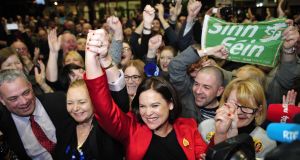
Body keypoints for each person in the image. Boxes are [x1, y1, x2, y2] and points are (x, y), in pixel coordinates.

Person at [84, 29, 207, 160]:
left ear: (170, 104)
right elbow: (105, 110)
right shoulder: (132, 129)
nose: (148, 113)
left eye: (154, 105)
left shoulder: (189, 127)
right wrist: (91, 56)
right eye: (143, 106)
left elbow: (204, 154)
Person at [0, 69, 74, 159]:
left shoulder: (59, 101)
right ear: (2, 100)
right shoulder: (3, 124)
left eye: (26, 93)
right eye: (13, 99)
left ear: (31, 86)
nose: (24, 102)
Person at [199, 78, 276, 158]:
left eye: (246, 107)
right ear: (225, 103)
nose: (238, 112)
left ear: (257, 111)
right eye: (233, 104)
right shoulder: (205, 127)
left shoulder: (266, 141)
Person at [62, 79, 123, 159]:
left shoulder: (107, 129)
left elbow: (120, 100)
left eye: (82, 102)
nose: (75, 108)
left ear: (94, 101)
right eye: (70, 103)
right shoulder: (65, 127)